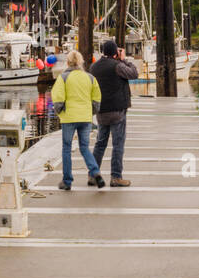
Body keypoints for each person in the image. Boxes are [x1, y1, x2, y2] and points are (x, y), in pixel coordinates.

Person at [50, 49, 104, 191]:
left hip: (69, 117)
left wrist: (59, 110)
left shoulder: (63, 78)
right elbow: (97, 97)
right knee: (84, 148)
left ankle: (67, 181)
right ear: (80, 62)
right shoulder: (90, 78)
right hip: (85, 117)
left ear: (67, 62)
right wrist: (91, 111)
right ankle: (95, 171)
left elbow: (58, 97)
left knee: (66, 149)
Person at [90, 39, 140, 187]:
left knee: (100, 143)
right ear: (115, 53)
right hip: (117, 111)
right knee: (118, 144)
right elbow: (134, 74)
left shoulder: (93, 67)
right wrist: (125, 60)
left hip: (101, 111)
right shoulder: (118, 66)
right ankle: (116, 177)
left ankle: (93, 174)